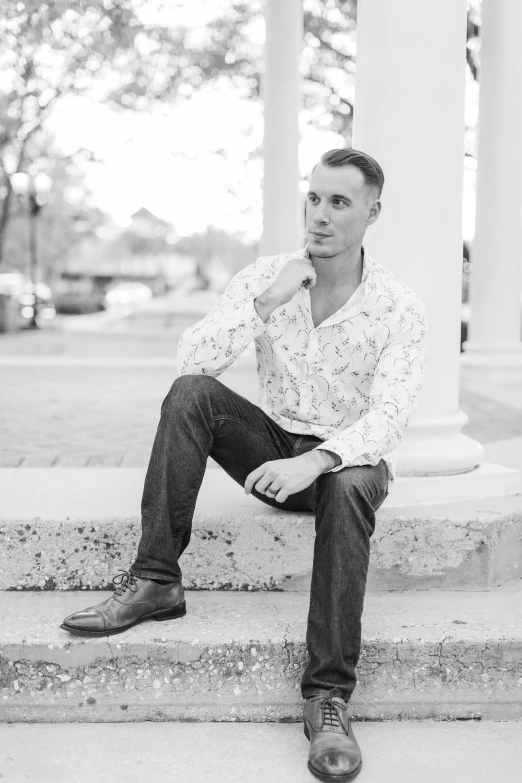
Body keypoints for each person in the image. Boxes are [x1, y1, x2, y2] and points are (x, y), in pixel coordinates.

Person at [61, 148, 427, 782]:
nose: (319, 215)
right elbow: (193, 360)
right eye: (313, 198)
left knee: (345, 487)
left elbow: (387, 420)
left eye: (338, 202)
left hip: (348, 463)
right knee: (192, 396)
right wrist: (265, 301)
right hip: (270, 449)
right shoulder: (268, 276)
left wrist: (316, 460)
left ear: (373, 211)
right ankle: (156, 580)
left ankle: (328, 697)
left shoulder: (399, 308)